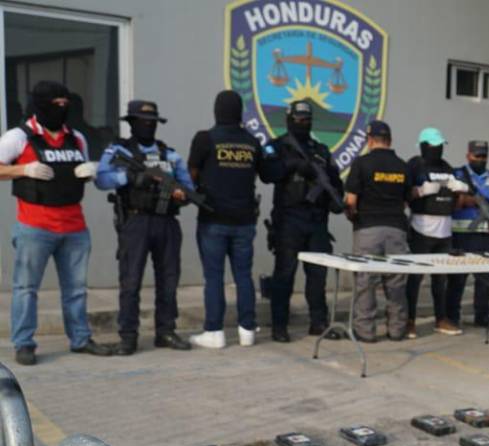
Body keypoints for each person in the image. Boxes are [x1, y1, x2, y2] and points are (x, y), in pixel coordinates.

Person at [0, 80, 112, 365]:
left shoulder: (77, 138)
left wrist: (92, 172)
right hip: (35, 227)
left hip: (74, 227)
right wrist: (23, 168)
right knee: (26, 288)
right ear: (40, 105)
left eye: (65, 104)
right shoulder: (18, 137)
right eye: (56, 104)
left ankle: (80, 338)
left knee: (75, 290)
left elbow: (83, 172)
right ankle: (24, 344)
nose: (61, 109)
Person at [95, 100, 195, 355]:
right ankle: (128, 336)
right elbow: (102, 179)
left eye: (152, 122)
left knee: (169, 279)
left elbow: (187, 186)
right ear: (132, 123)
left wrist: (181, 194)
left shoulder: (169, 154)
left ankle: (166, 331)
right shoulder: (120, 151)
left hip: (167, 222)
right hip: (136, 221)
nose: (148, 126)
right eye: (143, 121)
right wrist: (129, 177)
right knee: (131, 280)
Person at [187, 90, 283, 349]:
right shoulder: (252, 142)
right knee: (243, 275)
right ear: (240, 112)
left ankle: (214, 331)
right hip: (244, 221)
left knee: (214, 276)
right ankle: (247, 330)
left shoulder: (205, 139)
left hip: (213, 219)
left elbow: (191, 175)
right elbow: (266, 174)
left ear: (216, 110)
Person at [268, 100, 343, 343]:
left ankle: (318, 322)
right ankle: (279, 325)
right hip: (289, 219)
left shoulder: (321, 150)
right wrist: (292, 165)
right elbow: (267, 173)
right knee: (284, 274)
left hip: (317, 220)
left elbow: (335, 181)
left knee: (318, 275)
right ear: (289, 119)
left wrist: (334, 197)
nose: (303, 123)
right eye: (298, 119)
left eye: (307, 119)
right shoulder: (278, 146)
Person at [343, 120, 411, 342]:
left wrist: (351, 215)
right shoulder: (403, 166)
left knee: (365, 281)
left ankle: (366, 332)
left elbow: (351, 200)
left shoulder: (362, 163)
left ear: (369, 140)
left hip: (368, 229)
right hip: (397, 230)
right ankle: (397, 330)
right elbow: (408, 200)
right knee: (397, 282)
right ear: (390, 140)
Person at [405, 126, 468, 338]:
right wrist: (421, 190)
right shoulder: (414, 165)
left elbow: (458, 204)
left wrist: (460, 190)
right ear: (423, 146)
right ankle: (409, 321)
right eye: (434, 146)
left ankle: (441, 319)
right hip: (421, 228)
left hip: (445, 230)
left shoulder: (447, 167)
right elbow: (404, 195)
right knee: (415, 278)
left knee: (440, 280)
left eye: (440, 145)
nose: (438, 149)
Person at [447, 140, 489, 329]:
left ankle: (481, 316)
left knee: (485, 281)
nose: (480, 159)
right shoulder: (457, 175)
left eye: (483, 156)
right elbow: (447, 201)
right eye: (477, 156)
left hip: (487, 237)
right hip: (462, 235)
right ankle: (452, 317)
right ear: (468, 155)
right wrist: (463, 201)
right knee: (457, 280)